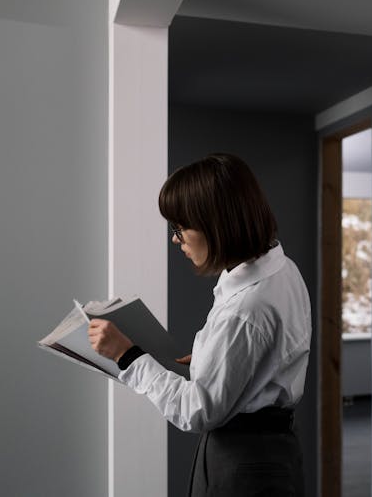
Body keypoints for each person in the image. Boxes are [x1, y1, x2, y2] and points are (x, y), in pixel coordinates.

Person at [87, 153, 312, 497]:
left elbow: (197, 411)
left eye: (180, 228)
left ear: (217, 223)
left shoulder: (245, 309)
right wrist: (218, 358)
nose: (175, 239)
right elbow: (271, 353)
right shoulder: (282, 269)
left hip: (244, 463)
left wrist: (128, 356)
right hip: (269, 452)